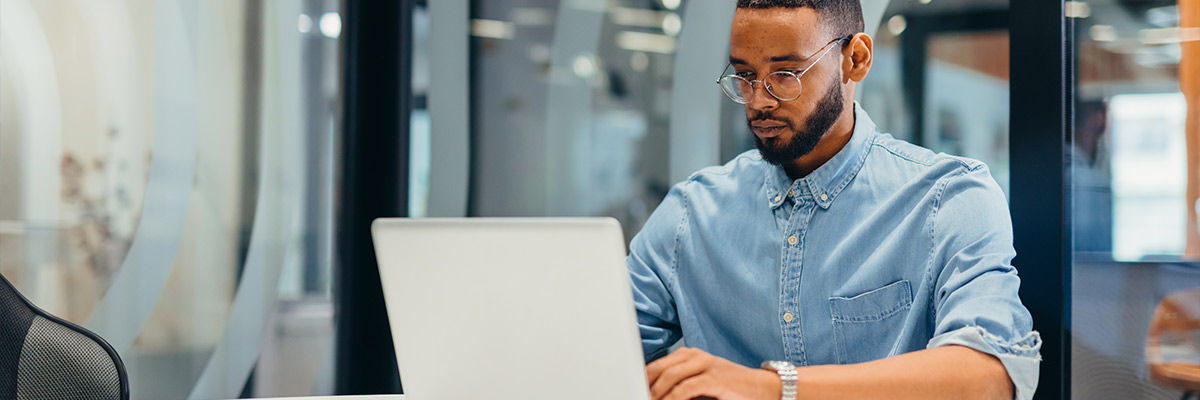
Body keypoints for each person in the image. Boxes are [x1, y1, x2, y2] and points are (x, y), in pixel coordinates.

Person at [627, 1, 1042, 399]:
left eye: (785, 73)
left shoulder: (947, 199)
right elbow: (599, 348)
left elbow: (990, 377)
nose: (759, 101)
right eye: (745, 75)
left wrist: (770, 389)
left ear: (855, 59)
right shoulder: (690, 215)